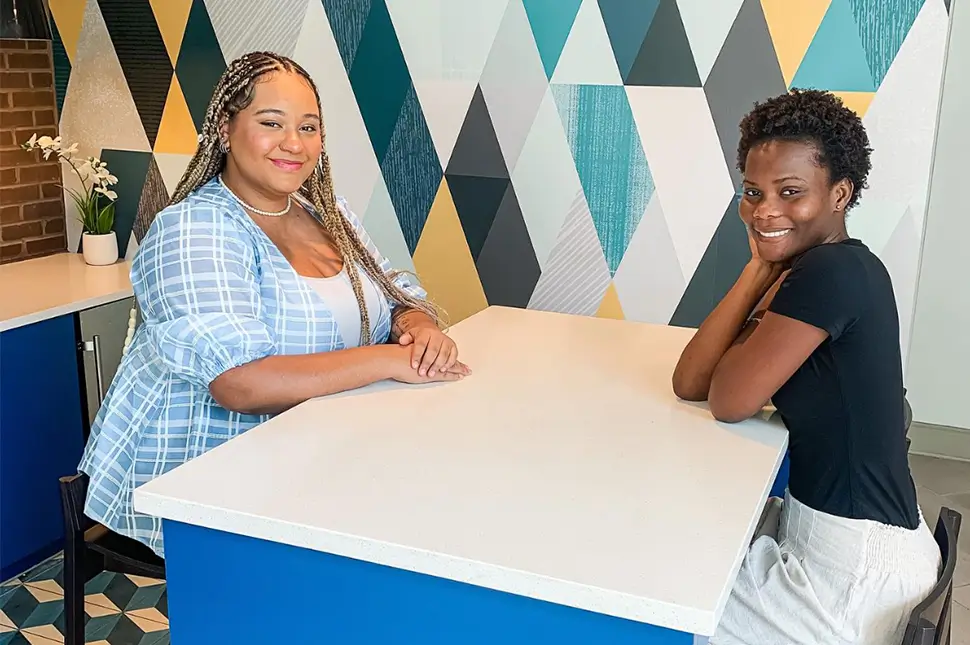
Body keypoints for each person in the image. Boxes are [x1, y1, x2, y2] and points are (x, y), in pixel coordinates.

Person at [78, 51, 470, 557]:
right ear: (225, 129)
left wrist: (417, 324)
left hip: (323, 453)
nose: (294, 143)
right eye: (271, 123)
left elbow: (392, 290)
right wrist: (393, 359)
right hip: (208, 479)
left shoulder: (323, 210)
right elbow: (241, 384)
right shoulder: (194, 229)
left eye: (309, 127)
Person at [672, 89, 939, 644]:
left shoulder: (832, 274)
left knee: (661, 606)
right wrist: (756, 268)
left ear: (839, 193)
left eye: (790, 192)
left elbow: (728, 400)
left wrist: (762, 271)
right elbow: (692, 380)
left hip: (848, 580)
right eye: (752, 192)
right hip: (852, 544)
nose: (764, 210)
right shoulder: (818, 268)